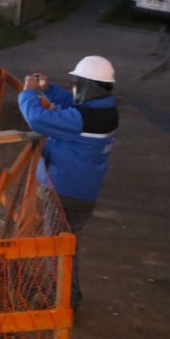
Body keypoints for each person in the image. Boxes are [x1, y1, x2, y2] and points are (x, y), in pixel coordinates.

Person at [19, 56, 118, 310]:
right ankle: (67, 297)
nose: (74, 88)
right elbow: (72, 107)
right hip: (80, 193)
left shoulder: (83, 120)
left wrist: (28, 93)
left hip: (64, 195)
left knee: (58, 251)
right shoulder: (105, 111)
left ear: (89, 86)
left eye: (77, 83)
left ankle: (61, 303)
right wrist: (49, 90)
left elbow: (38, 119)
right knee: (66, 247)